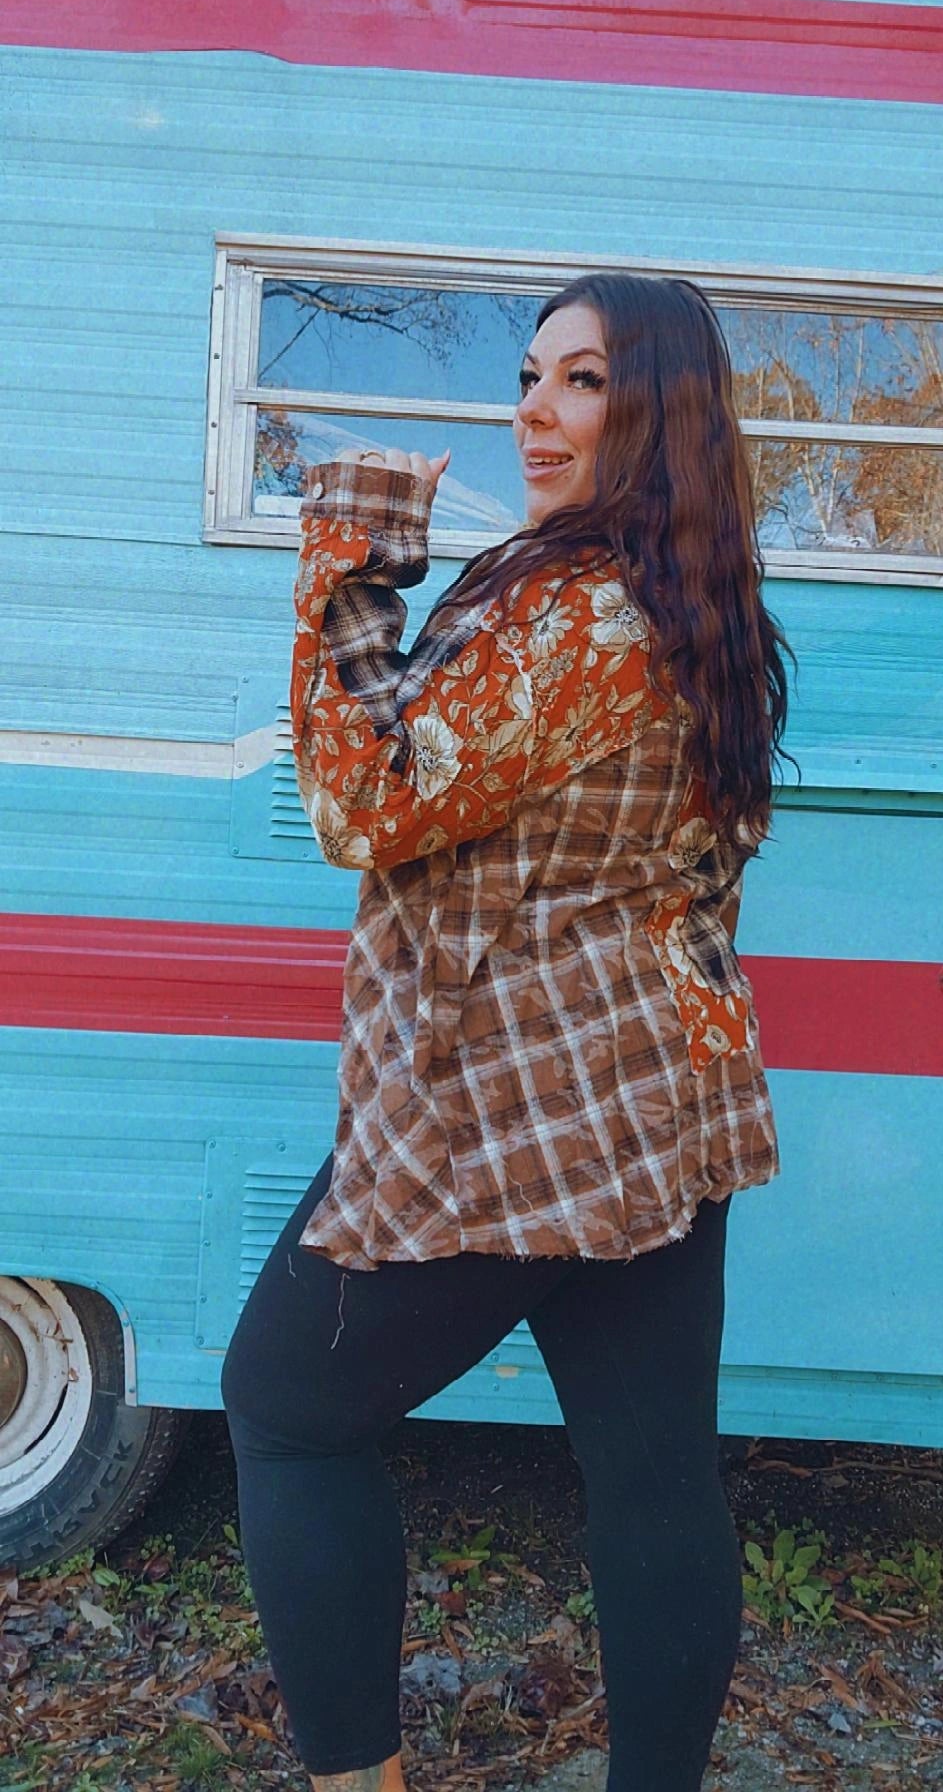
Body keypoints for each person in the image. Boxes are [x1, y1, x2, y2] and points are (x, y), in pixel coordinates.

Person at [221, 272, 793, 1792]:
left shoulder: (584, 615)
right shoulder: (688, 605)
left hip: (517, 1100)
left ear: (659, 414)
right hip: (657, 1100)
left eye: (582, 381)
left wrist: (351, 552)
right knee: (652, 1472)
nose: (534, 411)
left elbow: (365, 804)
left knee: (284, 1410)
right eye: (529, 377)